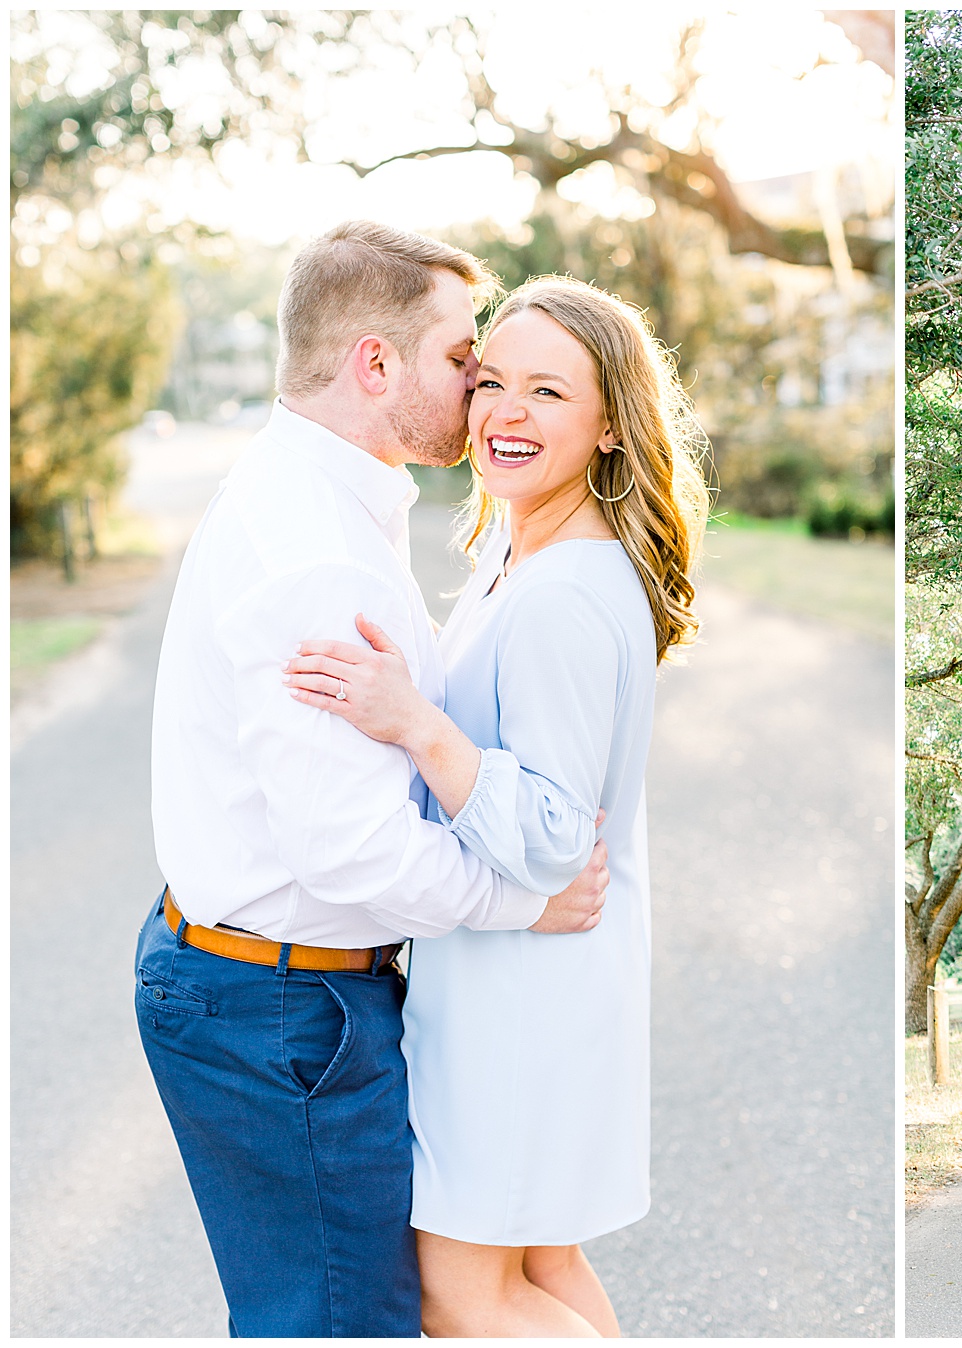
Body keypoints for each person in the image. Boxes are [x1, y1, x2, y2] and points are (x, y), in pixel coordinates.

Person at [137, 223, 611, 1338]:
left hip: (259, 984)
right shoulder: (321, 553)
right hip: (283, 1008)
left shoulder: (323, 497)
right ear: (375, 364)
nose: (482, 386)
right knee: (343, 1321)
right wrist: (527, 904)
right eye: (462, 360)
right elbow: (351, 850)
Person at [282, 275, 708, 1334]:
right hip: (533, 982)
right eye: (492, 382)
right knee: (543, 1262)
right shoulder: (527, 556)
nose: (505, 413)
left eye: (549, 394)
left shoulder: (563, 594)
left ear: (611, 426)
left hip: (524, 1000)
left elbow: (560, 835)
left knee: (459, 1288)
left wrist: (414, 723)